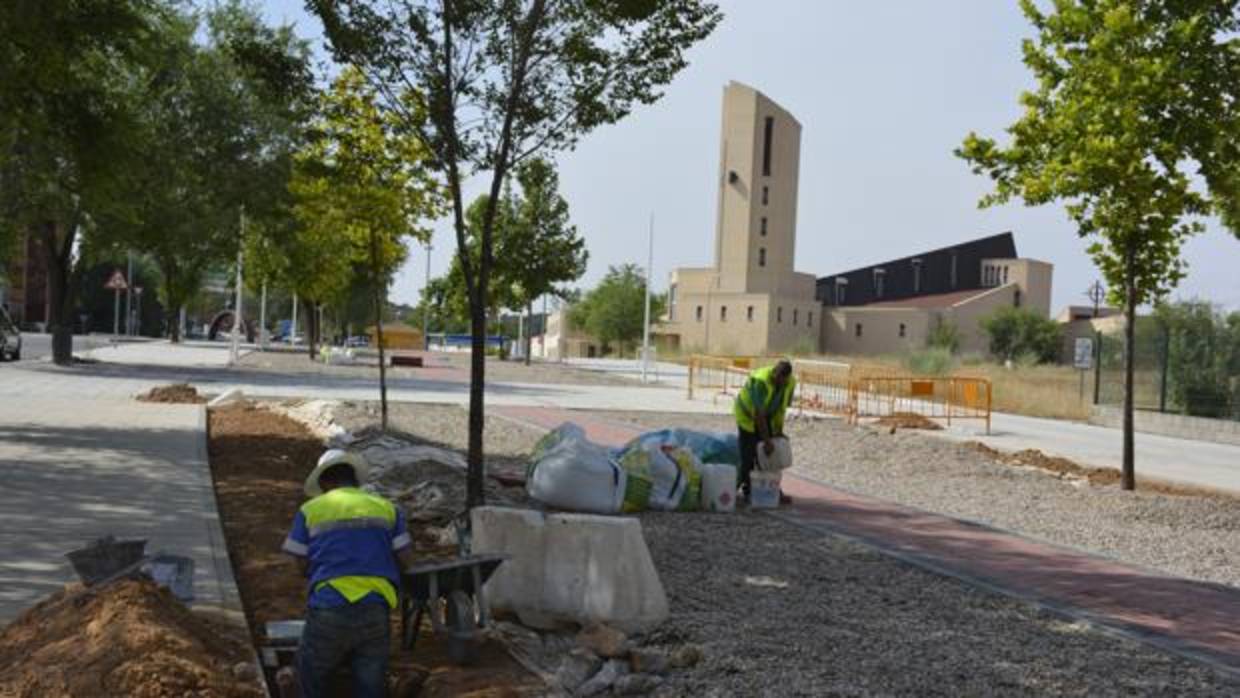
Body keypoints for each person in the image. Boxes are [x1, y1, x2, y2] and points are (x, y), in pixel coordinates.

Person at [282, 449, 416, 698]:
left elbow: (300, 563)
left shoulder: (310, 510)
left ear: (324, 482)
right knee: (370, 680)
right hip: (376, 606)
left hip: (329, 605)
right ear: (354, 480)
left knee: (311, 674)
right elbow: (406, 559)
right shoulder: (388, 508)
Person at [733, 359, 796, 502]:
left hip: (766, 415)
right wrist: (767, 441)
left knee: (770, 457)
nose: (778, 382)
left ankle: (773, 491)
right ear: (774, 373)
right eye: (776, 378)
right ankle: (747, 491)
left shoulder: (790, 382)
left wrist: (778, 432)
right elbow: (758, 414)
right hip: (747, 416)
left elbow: (782, 409)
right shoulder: (760, 382)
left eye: (782, 380)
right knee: (748, 455)